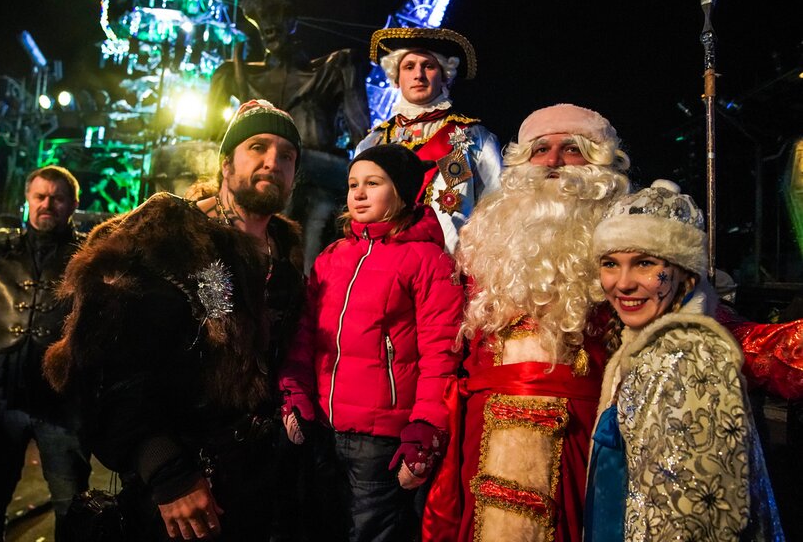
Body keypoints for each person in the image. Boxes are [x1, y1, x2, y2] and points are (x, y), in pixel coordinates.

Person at [427, 103, 802, 542]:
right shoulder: (486, 240)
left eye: (572, 149)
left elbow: (700, 325)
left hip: (586, 440)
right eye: (539, 149)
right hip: (481, 434)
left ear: (602, 161)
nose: (552, 161)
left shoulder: (632, 239)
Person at [43, 99, 306, 541]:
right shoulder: (173, 244)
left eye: (286, 155)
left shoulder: (285, 262)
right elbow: (110, 368)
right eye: (257, 147)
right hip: (178, 495)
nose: (272, 162)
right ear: (226, 164)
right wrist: (166, 470)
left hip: (256, 490)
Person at [278, 144, 464, 541]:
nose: (358, 194)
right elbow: (306, 335)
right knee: (321, 526)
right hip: (325, 427)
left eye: (373, 183)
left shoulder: (428, 261)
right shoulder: (333, 256)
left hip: (381, 440)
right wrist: (295, 390)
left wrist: (426, 429)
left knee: (372, 530)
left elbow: (440, 356)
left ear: (400, 191)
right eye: (352, 185)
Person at [585, 179, 783, 540]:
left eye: (644, 263)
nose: (623, 283)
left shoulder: (692, 355)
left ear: (685, 276)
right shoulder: (640, 350)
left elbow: (699, 519)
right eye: (611, 264)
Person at [0, 165, 91, 541]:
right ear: (27, 199)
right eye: (40, 196)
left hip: (62, 405)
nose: (48, 204)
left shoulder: (88, 257)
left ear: (73, 203)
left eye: (57, 198)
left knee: (73, 510)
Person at [208, 0, 370, 271]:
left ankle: (298, 279)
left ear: (294, 14)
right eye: (261, 12)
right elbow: (210, 150)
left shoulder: (336, 68)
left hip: (318, 187)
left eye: (278, 11)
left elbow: (364, 148)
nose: (270, 23)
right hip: (260, 196)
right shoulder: (231, 74)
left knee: (310, 201)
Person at [356, 28, 502, 253]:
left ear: (445, 75)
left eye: (429, 66)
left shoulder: (475, 138)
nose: (418, 75)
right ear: (396, 78)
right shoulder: (373, 142)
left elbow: (496, 207)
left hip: (446, 268)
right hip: (381, 265)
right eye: (409, 66)